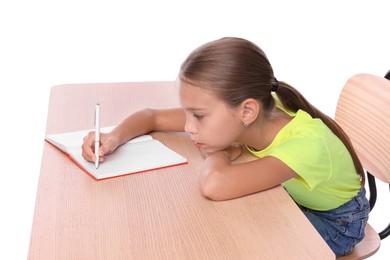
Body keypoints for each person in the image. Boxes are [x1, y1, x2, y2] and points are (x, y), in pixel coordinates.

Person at [82, 37, 369, 257]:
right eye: (189, 113)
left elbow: (214, 185)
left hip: (338, 223)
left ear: (247, 112)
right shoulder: (255, 113)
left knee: (230, 245)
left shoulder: (305, 144)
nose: (190, 126)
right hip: (295, 199)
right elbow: (151, 116)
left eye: (199, 116)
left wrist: (219, 153)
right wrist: (113, 137)